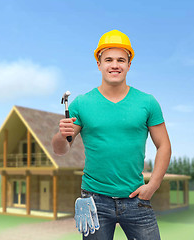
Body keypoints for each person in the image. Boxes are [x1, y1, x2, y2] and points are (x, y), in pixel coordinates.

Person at [52, 29, 171, 240]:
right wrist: (62, 135)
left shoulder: (147, 102)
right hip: (94, 201)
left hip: (137, 199)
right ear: (99, 64)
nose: (114, 65)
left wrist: (153, 185)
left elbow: (164, 145)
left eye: (120, 60)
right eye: (108, 60)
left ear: (129, 64)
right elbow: (61, 150)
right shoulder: (81, 103)